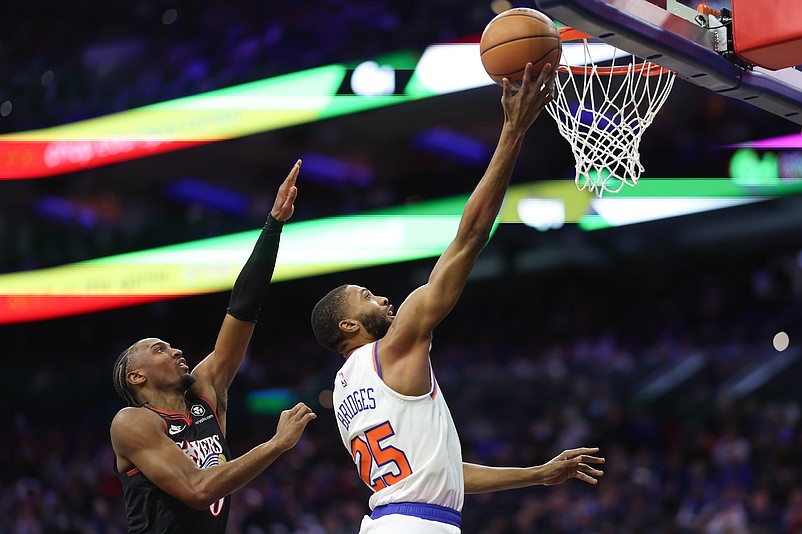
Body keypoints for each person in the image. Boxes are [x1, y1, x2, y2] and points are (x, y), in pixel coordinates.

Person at [311, 63, 604, 533]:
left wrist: (537, 474)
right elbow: (469, 238)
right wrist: (513, 130)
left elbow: (443, 475)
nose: (383, 299)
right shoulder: (395, 345)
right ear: (349, 326)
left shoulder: (346, 394)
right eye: (366, 296)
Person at [110, 160, 316, 534]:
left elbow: (242, 312)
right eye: (159, 349)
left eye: (170, 345)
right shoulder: (132, 422)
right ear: (136, 376)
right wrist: (276, 444)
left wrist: (273, 224)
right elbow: (196, 488)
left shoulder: (206, 393)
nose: (175, 351)